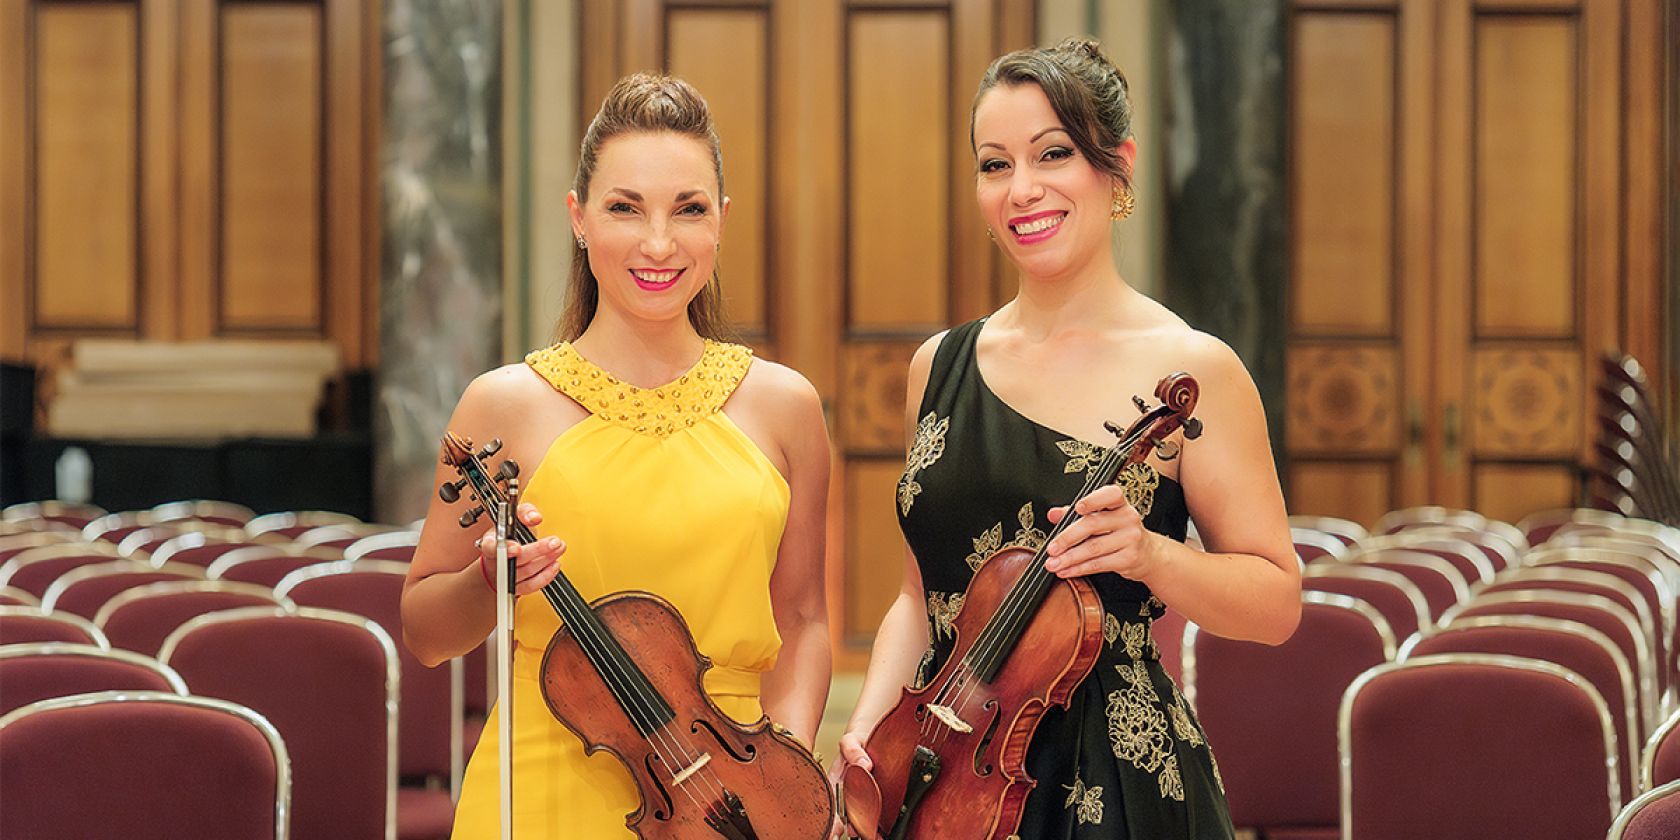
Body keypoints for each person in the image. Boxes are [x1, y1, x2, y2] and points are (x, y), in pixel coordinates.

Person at [835, 38, 1299, 839]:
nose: (1022, 190)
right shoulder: (935, 367)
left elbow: (1277, 601)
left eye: (1054, 154)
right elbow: (920, 597)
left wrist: (1150, 555)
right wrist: (871, 743)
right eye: (994, 164)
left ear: (1115, 167)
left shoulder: (1190, 367)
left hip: (1110, 775)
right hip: (943, 774)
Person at [400, 73, 833, 839]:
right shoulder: (501, 404)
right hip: (544, 789)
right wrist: (485, 583)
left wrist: (784, 778)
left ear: (722, 222)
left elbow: (801, 620)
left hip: (733, 804)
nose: (658, 243)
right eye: (625, 208)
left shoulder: (787, 407)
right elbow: (428, 632)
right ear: (578, 218)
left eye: (688, 209)